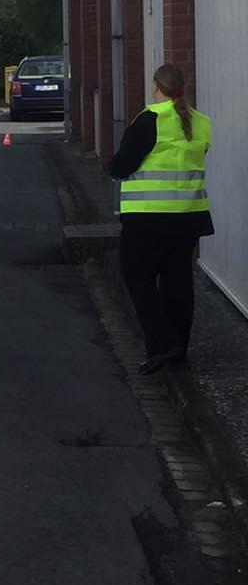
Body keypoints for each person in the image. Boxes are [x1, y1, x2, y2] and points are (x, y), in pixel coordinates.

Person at [110, 63, 214, 375]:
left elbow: (120, 165)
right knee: (178, 282)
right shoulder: (201, 122)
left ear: (158, 86)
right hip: (188, 218)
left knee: (137, 276)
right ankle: (179, 348)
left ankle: (162, 343)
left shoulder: (150, 119)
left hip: (148, 218)